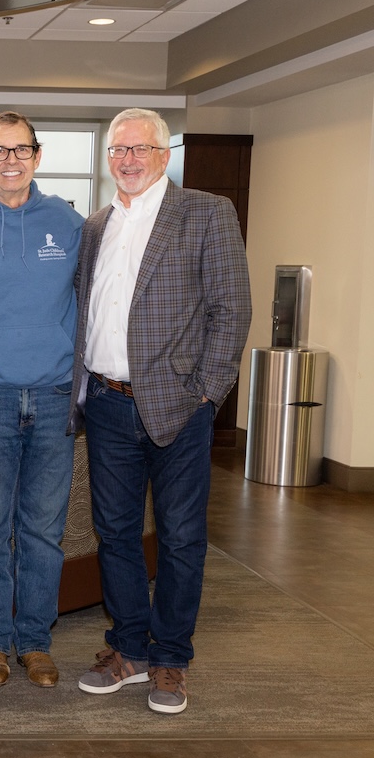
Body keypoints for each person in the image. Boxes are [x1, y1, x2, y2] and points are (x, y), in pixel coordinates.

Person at [69, 108, 251, 714]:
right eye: (118, 149)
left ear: (163, 154)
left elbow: (232, 309)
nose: (128, 159)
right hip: (107, 404)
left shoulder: (205, 213)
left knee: (179, 537)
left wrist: (208, 391)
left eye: (140, 148)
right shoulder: (96, 225)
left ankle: (170, 657)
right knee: (116, 535)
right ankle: (128, 647)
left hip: (179, 405)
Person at [0, 111, 82, 689]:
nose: (11, 160)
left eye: (21, 149)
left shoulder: (69, 222)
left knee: (42, 532)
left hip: (55, 396)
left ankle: (33, 641)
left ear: (37, 155)